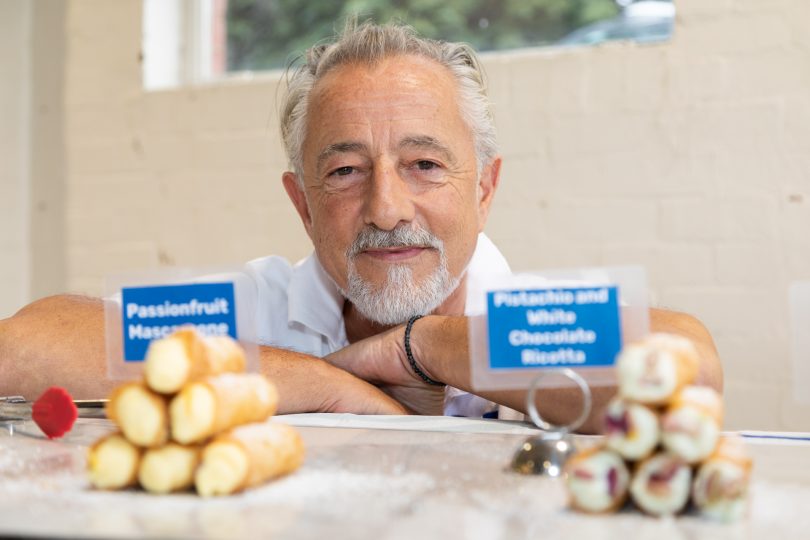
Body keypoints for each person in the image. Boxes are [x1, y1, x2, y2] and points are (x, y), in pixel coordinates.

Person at [0, 21, 722, 432]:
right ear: (303, 204)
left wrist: (426, 347)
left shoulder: (524, 316)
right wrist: (324, 383)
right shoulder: (259, 309)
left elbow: (694, 369)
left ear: (487, 189)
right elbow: (22, 348)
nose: (386, 208)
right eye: (345, 171)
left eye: (425, 165)